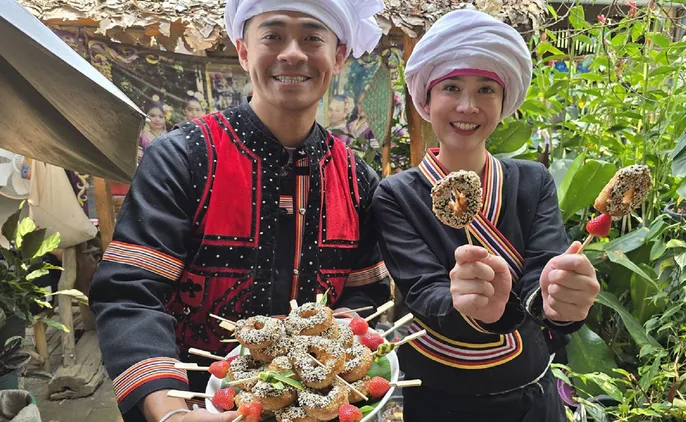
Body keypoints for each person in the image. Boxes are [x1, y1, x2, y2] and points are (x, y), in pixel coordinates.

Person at [89, 1, 390, 421]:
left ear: (338, 56)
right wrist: (171, 413)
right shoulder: (184, 158)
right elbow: (130, 293)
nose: (292, 53)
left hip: (323, 406)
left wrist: (338, 335)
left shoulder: (357, 178)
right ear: (244, 51)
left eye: (311, 37)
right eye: (273, 35)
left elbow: (366, 292)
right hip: (194, 401)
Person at [372, 9, 600, 421]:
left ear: (503, 101)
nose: (467, 105)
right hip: (439, 394)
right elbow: (422, 291)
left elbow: (542, 269)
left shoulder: (532, 181)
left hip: (530, 390)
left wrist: (558, 298)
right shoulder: (396, 194)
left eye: (486, 90)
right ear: (425, 100)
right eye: (451, 87)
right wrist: (470, 305)